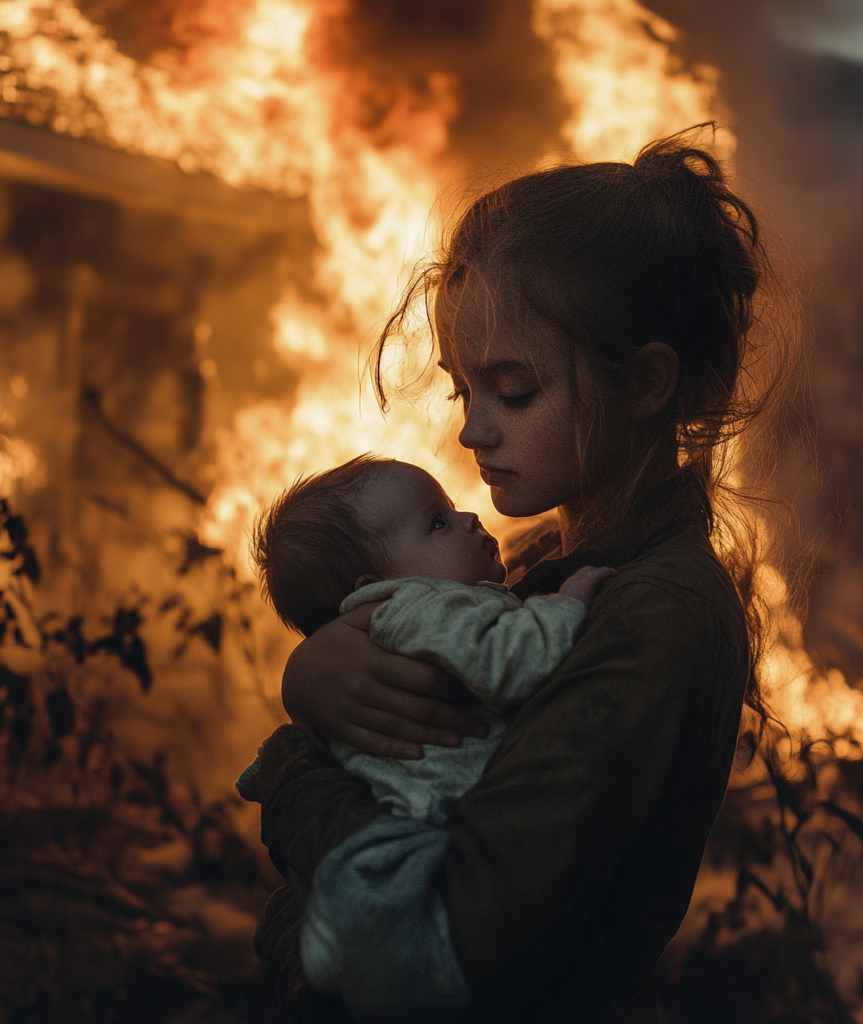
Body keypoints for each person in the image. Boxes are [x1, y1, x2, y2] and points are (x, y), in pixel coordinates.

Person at [245, 127, 790, 1023]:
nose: (472, 431)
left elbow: (458, 935)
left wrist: (297, 781)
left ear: (647, 383)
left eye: (516, 391)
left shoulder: (655, 616)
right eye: (465, 391)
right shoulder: (544, 569)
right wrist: (314, 674)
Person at [238, 455, 615, 826]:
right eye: (438, 523)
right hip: (446, 816)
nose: (469, 519)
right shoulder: (419, 611)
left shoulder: (396, 626)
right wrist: (565, 605)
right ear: (380, 589)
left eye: (451, 509)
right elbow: (515, 661)